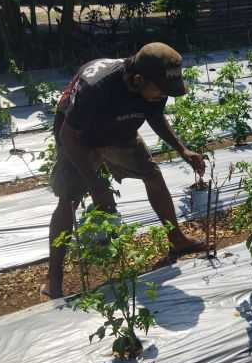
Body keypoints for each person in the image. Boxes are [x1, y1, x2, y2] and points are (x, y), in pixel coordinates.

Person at [43, 43, 206, 299]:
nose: (162, 96)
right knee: (69, 200)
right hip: (78, 137)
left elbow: (155, 116)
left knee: (153, 175)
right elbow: (68, 136)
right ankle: (54, 278)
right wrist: (96, 184)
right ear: (138, 79)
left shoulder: (154, 84)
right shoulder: (96, 87)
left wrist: (182, 149)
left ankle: (177, 239)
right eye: (159, 91)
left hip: (120, 129)